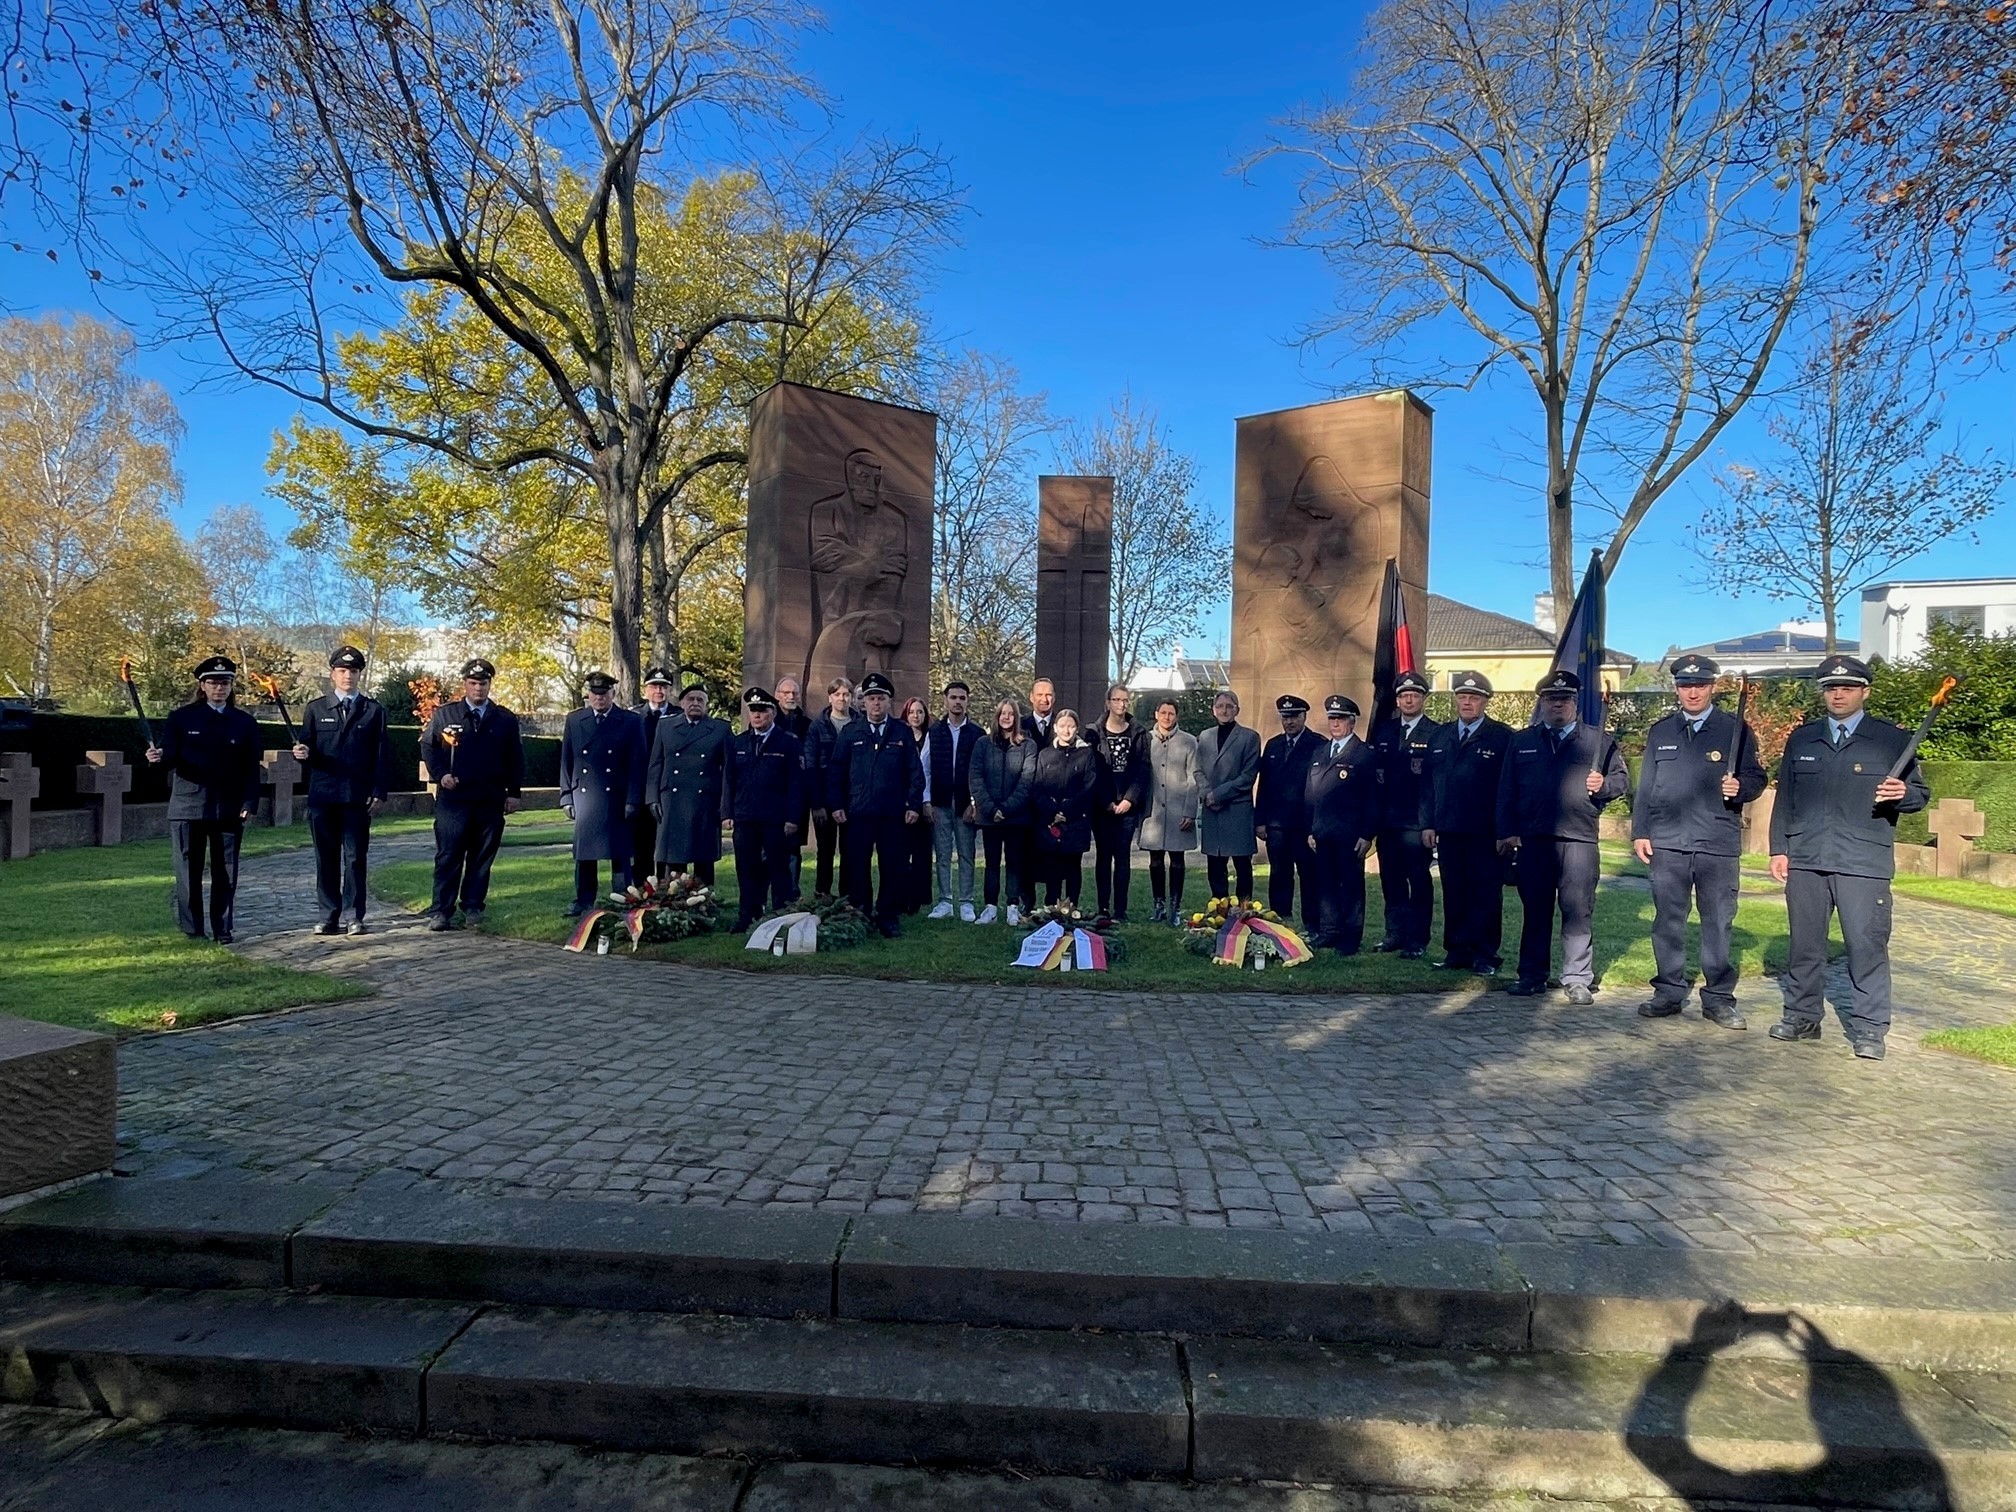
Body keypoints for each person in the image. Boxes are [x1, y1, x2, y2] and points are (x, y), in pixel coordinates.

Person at [1768, 654, 1930, 1060]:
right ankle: (1803, 1017)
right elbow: (1786, 797)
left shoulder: (1891, 740)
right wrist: (1778, 848)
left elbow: (1919, 795)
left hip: (1863, 861)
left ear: (1865, 692)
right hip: (1807, 856)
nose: (1839, 694)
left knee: (1866, 945)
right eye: (1831, 688)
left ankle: (1870, 1028)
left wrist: (1903, 795)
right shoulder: (1803, 739)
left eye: (1848, 688)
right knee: (1804, 946)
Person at [1631, 654, 1770, 1029]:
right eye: (1685, 685)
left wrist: (1740, 787)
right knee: (1668, 921)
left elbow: (1758, 777)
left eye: (1700, 685)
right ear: (1677, 688)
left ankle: (1719, 998)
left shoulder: (1734, 729)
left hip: (1716, 841)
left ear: (1712, 687)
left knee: (1718, 922)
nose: (1692, 692)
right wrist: (1640, 831)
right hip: (1668, 842)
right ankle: (1668, 991)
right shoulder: (1661, 731)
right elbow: (1646, 787)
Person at [1496, 669, 1630, 1002]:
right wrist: (1507, 830)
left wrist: (1604, 786)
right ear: (1542, 703)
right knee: (1536, 909)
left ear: (1575, 703)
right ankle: (1531, 974)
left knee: (1577, 909)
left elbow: (1622, 782)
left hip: (1579, 839)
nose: (1558, 706)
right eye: (1551, 700)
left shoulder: (1598, 741)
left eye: (1565, 700)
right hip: (1534, 839)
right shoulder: (1522, 741)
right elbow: (1506, 790)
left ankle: (1577, 977)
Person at [146, 654, 262, 943]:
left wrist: (250, 802)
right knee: (188, 870)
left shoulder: (244, 722)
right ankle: (192, 928)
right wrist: (157, 758)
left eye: (225, 683)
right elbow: (169, 756)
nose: (219, 688)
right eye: (213, 682)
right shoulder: (182, 718)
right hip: (189, 805)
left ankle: (222, 927)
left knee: (226, 872)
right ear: (202, 685)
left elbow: (251, 767)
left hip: (229, 806)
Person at [291, 644, 394, 937]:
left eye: (353, 671)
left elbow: (381, 754)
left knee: (354, 857)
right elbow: (307, 746)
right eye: (342, 670)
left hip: (356, 796)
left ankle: (353, 915)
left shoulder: (373, 711)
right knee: (325, 857)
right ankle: (328, 915)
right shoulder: (316, 709)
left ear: (359, 674)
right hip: (323, 795)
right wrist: (302, 752)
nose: (347, 676)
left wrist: (379, 790)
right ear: (333, 674)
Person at [420, 658, 525, 930]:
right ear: (465, 684)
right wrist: (441, 774)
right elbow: (429, 747)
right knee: (448, 855)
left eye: (483, 683)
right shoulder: (445, 715)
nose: (478, 688)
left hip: (489, 798)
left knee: (481, 858)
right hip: (454, 799)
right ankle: (441, 910)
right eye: (473, 683)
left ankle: (473, 907)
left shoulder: (504, 719)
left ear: (490, 684)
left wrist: (513, 793)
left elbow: (515, 758)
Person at [1423, 671, 1513, 976]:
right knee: (1454, 891)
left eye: (1473, 698)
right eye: (1462, 697)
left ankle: (1486, 954)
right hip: (1448, 828)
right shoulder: (1440, 736)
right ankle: (1457, 951)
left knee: (1486, 893)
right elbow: (1427, 786)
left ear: (1485, 702)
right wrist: (1428, 823)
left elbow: (1507, 787)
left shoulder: (1502, 737)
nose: (1467, 703)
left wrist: (1505, 830)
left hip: (1485, 831)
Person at [828, 672, 923, 936]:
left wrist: (913, 805)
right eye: (871, 699)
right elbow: (836, 771)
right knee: (857, 866)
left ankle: (888, 915)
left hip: (892, 814)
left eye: (880, 698)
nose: (876, 704)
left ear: (889, 702)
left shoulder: (901, 732)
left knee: (892, 867)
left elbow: (915, 773)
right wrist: (836, 804)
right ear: (864, 702)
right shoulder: (851, 732)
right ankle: (860, 912)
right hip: (858, 813)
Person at [560, 672, 647, 916]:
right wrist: (566, 795)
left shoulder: (630, 721)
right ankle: (583, 900)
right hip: (585, 795)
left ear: (613, 694)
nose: (599, 698)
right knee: (585, 854)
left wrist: (633, 799)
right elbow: (567, 759)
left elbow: (637, 764)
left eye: (604, 693)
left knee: (619, 851)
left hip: (617, 796)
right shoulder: (575, 720)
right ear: (588, 694)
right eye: (595, 694)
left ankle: (622, 897)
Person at [1371, 670, 1442, 958]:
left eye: (1414, 695)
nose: (1408, 699)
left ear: (1423, 699)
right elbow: (1377, 779)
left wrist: (1431, 823)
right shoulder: (1385, 731)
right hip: (1388, 822)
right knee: (1391, 880)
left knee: (1419, 882)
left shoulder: (1437, 733)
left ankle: (1417, 940)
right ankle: (1395, 933)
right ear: (1397, 700)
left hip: (1417, 823)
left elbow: (1435, 784)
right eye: (1403, 695)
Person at [1304, 695, 1381, 955]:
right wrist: (1310, 829)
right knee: (1324, 885)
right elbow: (1310, 795)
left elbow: (1373, 798)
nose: (1335, 724)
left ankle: (1350, 937)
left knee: (1350, 887)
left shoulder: (1363, 754)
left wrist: (1367, 833)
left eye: (1340, 719)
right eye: (1332, 719)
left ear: (1351, 722)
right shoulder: (1320, 752)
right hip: (1323, 831)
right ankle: (1329, 931)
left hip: (1350, 834)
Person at [724, 687, 805, 929]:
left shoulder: (788, 743)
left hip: (775, 817)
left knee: (778, 867)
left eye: (762, 710)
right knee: (746, 867)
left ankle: (780, 912)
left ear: (772, 713)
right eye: (753, 711)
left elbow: (796, 783)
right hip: (745, 816)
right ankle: (747, 913)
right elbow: (728, 780)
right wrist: (726, 813)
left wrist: (793, 817)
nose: (757, 715)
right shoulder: (739, 742)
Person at [647, 684, 730, 886]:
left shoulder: (720, 729)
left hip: (705, 801)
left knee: (703, 859)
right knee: (674, 858)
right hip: (671, 800)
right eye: (690, 699)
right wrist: (652, 798)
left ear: (707, 705)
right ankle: (672, 903)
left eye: (700, 700)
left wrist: (725, 805)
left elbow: (728, 770)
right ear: (682, 703)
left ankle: (704, 900)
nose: (695, 704)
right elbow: (656, 764)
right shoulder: (666, 726)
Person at [1255, 693, 1323, 932]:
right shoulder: (1273, 745)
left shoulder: (1317, 744)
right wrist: (1260, 820)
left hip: (1304, 826)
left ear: (1304, 716)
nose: (1290, 722)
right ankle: (1279, 920)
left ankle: (1312, 924)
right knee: (1279, 875)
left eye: (1294, 716)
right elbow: (1264, 786)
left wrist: (1317, 825)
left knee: (1309, 876)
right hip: (1277, 825)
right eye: (1285, 717)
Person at [969, 697, 1036, 924]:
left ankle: (1012, 906)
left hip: (1016, 817)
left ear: (1016, 718)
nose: (1006, 717)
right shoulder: (982, 744)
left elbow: (1027, 781)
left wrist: (1006, 809)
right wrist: (990, 808)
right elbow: (976, 778)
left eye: (1011, 714)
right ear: (997, 717)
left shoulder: (1028, 745)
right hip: (989, 817)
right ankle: (990, 907)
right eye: (1002, 714)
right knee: (991, 861)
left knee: (1015, 862)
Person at [1090, 684, 1151, 923]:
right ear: (1108, 703)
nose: (1121, 704)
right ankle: (1103, 908)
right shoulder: (1094, 732)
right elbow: (1092, 769)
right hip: (1102, 806)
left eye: (1125, 700)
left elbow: (1143, 769)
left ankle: (1120, 910)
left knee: (1122, 856)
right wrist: (1106, 801)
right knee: (1103, 856)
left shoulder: (1138, 732)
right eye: (1116, 700)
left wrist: (1129, 799)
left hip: (1127, 806)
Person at [1138, 696, 1200, 925]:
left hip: (1178, 809)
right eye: (1163, 712)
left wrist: (1190, 811)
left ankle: (1176, 906)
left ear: (1177, 716)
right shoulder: (1146, 739)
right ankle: (1159, 904)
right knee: (1155, 860)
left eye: (1171, 713)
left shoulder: (1189, 742)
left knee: (1177, 859)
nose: (1166, 717)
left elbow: (1194, 777)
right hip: (1153, 810)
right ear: (1156, 714)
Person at [1195, 690, 1261, 902]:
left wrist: (1219, 795)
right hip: (1212, 811)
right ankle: (1219, 910)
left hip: (1237, 810)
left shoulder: (1249, 737)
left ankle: (1244, 911)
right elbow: (1197, 770)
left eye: (1229, 706)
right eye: (1220, 706)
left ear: (1237, 710)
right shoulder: (1205, 736)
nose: (1224, 710)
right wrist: (1207, 795)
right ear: (1214, 711)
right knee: (1215, 865)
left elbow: (1248, 775)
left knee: (1242, 865)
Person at [1030, 709, 1100, 906]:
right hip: (1050, 822)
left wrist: (1066, 811)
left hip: (1075, 822)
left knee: (1072, 868)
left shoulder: (1086, 755)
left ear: (1076, 728)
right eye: (1062, 726)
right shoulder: (1045, 755)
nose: (1066, 730)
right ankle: (1051, 908)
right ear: (1055, 728)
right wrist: (1053, 811)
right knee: (1052, 867)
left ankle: (1071, 908)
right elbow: (1037, 787)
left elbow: (1089, 787)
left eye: (1070, 726)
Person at [925, 680, 982, 920]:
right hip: (939, 802)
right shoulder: (934, 731)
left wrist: (975, 802)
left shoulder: (977, 734)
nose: (957, 702)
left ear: (967, 701)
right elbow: (924, 767)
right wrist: (926, 801)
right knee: (943, 853)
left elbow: (980, 771)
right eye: (953, 697)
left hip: (965, 805)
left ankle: (966, 902)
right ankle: (945, 901)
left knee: (967, 854)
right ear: (945, 700)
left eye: (962, 698)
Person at [803, 677, 855, 899]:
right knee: (825, 850)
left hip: (852, 797)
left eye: (846, 694)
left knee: (850, 850)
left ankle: (847, 896)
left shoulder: (859, 723)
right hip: (823, 797)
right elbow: (810, 764)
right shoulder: (818, 726)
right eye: (837, 694)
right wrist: (816, 803)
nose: (842, 698)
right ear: (830, 697)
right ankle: (822, 893)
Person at [630, 666, 678, 885]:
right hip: (640, 788)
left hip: (670, 787)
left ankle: (671, 890)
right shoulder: (633, 717)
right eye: (655, 686)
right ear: (646, 689)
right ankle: (642, 891)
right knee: (643, 844)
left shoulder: (679, 715)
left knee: (669, 844)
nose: (659, 691)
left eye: (664, 687)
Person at [774, 675, 813, 895]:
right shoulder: (770, 721)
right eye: (786, 693)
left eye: (795, 693)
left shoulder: (806, 725)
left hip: (797, 794)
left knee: (793, 845)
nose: (791, 697)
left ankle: (791, 891)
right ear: (777, 695)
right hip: (772, 795)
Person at [898, 695, 935, 914]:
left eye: (920, 712)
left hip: (924, 803)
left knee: (921, 855)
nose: (915, 716)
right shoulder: (898, 736)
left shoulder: (930, 738)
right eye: (912, 711)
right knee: (901, 854)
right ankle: (901, 896)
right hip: (902, 803)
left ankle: (919, 898)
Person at [1022, 677, 1058, 747]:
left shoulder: (1061, 725)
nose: (1044, 699)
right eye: (1040, 695)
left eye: (1048, 695)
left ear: (1054, 698)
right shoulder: (1020, 725)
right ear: (1031, 697)